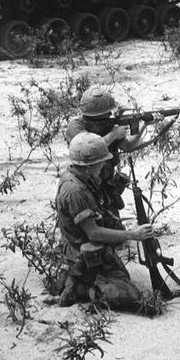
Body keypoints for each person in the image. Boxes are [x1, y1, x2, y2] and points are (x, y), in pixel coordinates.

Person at [55, 131, 155, 310]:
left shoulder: (79, 177)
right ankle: (81, 288)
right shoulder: (75, 191)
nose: (103, 166)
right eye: (100, 163)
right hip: (83, 253)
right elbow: (93, 232)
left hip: (88, 248)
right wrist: (132, 234)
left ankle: (81, 279)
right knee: (131, 296)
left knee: (122, 277)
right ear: (89, 165)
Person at [64, 85, 160, 230]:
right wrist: (114, 134)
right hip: (86, 184)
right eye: (105, 114)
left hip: (106, 185)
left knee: (115, 230)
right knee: (88, 230)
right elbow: (86, 149)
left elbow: (128, 146)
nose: (109, 116)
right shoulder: (76, 126)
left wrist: (144, 126)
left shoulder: (110, 125)